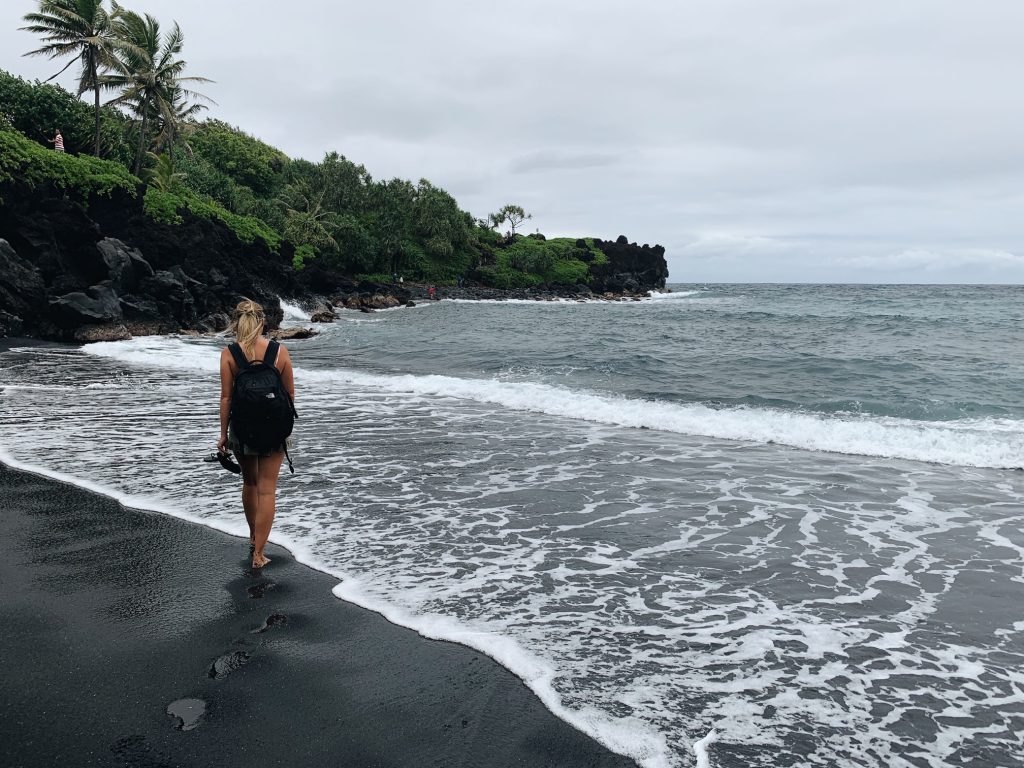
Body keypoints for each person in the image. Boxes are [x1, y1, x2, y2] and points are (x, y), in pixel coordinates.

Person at [217, 300, 295, 569]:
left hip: (242, 428)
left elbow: (226, 398)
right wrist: (285, 427)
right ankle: (259, 553)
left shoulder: (229, 354)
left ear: (236, 322)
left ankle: (253, 538)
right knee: (267, 490)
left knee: (250, 485)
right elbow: (290, 395)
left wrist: (223, 434)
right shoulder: (278, 351)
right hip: (275, 428)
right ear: (262, 321)